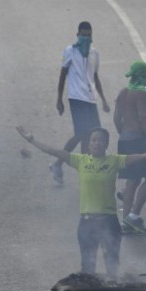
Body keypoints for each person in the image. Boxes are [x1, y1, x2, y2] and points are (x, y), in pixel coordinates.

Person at [16, 126, 146, 291]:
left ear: (106, 144)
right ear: (88, 144)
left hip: (109, 223)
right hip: (87, 224)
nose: (97, 143)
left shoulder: (114, 161)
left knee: (112, 270)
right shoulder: (80, 161)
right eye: (94, 140)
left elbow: (141, 157)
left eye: (101, 140)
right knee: (87, 270)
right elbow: (54, 151)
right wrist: (32, 139)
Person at [51, 21, 111, 185]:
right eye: (83, 34)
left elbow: (95, 76)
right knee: (81, 133)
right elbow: (63, 75)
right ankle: (60, 164)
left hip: (90, 98)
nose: (85, 37)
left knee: (93, 134)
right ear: (78, 35)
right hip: (76, 98)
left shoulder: (94, 54)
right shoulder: (70, 51)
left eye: (88, 35)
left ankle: (86, 169)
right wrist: (59, 99)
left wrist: (104, 99)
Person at [115, 61, 146, 235]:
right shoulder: (142, 93)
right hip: (139, 140)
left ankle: (126, 221)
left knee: (132, 179)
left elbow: (116, 119)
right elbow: (144, 118)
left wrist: (124, 134)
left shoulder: (123, 93)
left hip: (124, 140)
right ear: (144, 75)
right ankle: (134, 215)